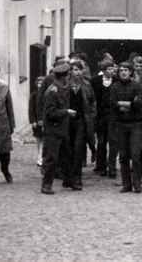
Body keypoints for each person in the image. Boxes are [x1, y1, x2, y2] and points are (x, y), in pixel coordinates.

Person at [111, 62, 142, 193]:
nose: (123, 72)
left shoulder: (137, 87)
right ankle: (126, 184)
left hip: (135, 124)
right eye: (121, 70)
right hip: (121, 124)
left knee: (135, 154)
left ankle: (137, 183)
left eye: (126, 70)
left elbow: (139, 104)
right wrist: (130, 105)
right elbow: (113, 104)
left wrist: (125, 105)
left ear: (131, 72)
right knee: (123, 155)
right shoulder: (115, 87)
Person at [41, 63, 75, 194]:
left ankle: (68, 181)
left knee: (67, 156)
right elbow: (50, 113)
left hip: (62, 128)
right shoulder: (52, 91)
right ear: (64, 77)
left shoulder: (63, 88)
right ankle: (46, 185)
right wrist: (66, 112)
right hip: (52, 130)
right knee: (52, 158)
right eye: (68, 75)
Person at [62, 60, 96, 190]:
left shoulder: (87, 85)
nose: (78, 73)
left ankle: (77, 178)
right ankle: (67, 177)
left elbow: (93, 102)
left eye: (80, 70)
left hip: (81, 121)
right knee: (67, 149)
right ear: (70, 71)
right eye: (76, 70)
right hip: (66, 121)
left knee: (78, 149)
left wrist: (91, 117)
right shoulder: (65, 85)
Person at [91, 60, 118, 178]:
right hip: (100, 115)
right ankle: (101, 165)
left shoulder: (116, 81)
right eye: (109, 69)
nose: (111, 71)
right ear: (103, 70)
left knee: (113, 141)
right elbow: (92, 98)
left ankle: (112, 167)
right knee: (101, 141)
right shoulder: (96, 81)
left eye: (112, 69)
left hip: (113, 115)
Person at [29, 76, 45, 166]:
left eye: (42, 84)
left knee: (43, 139)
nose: (40, 85)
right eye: (39, 83)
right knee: (39, 139)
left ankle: (41, 157)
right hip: (36, 120)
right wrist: (33, 121)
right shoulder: (34, 94)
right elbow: (31, 108)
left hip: (44, 120)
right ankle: (39, 155)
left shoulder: (46, 94)